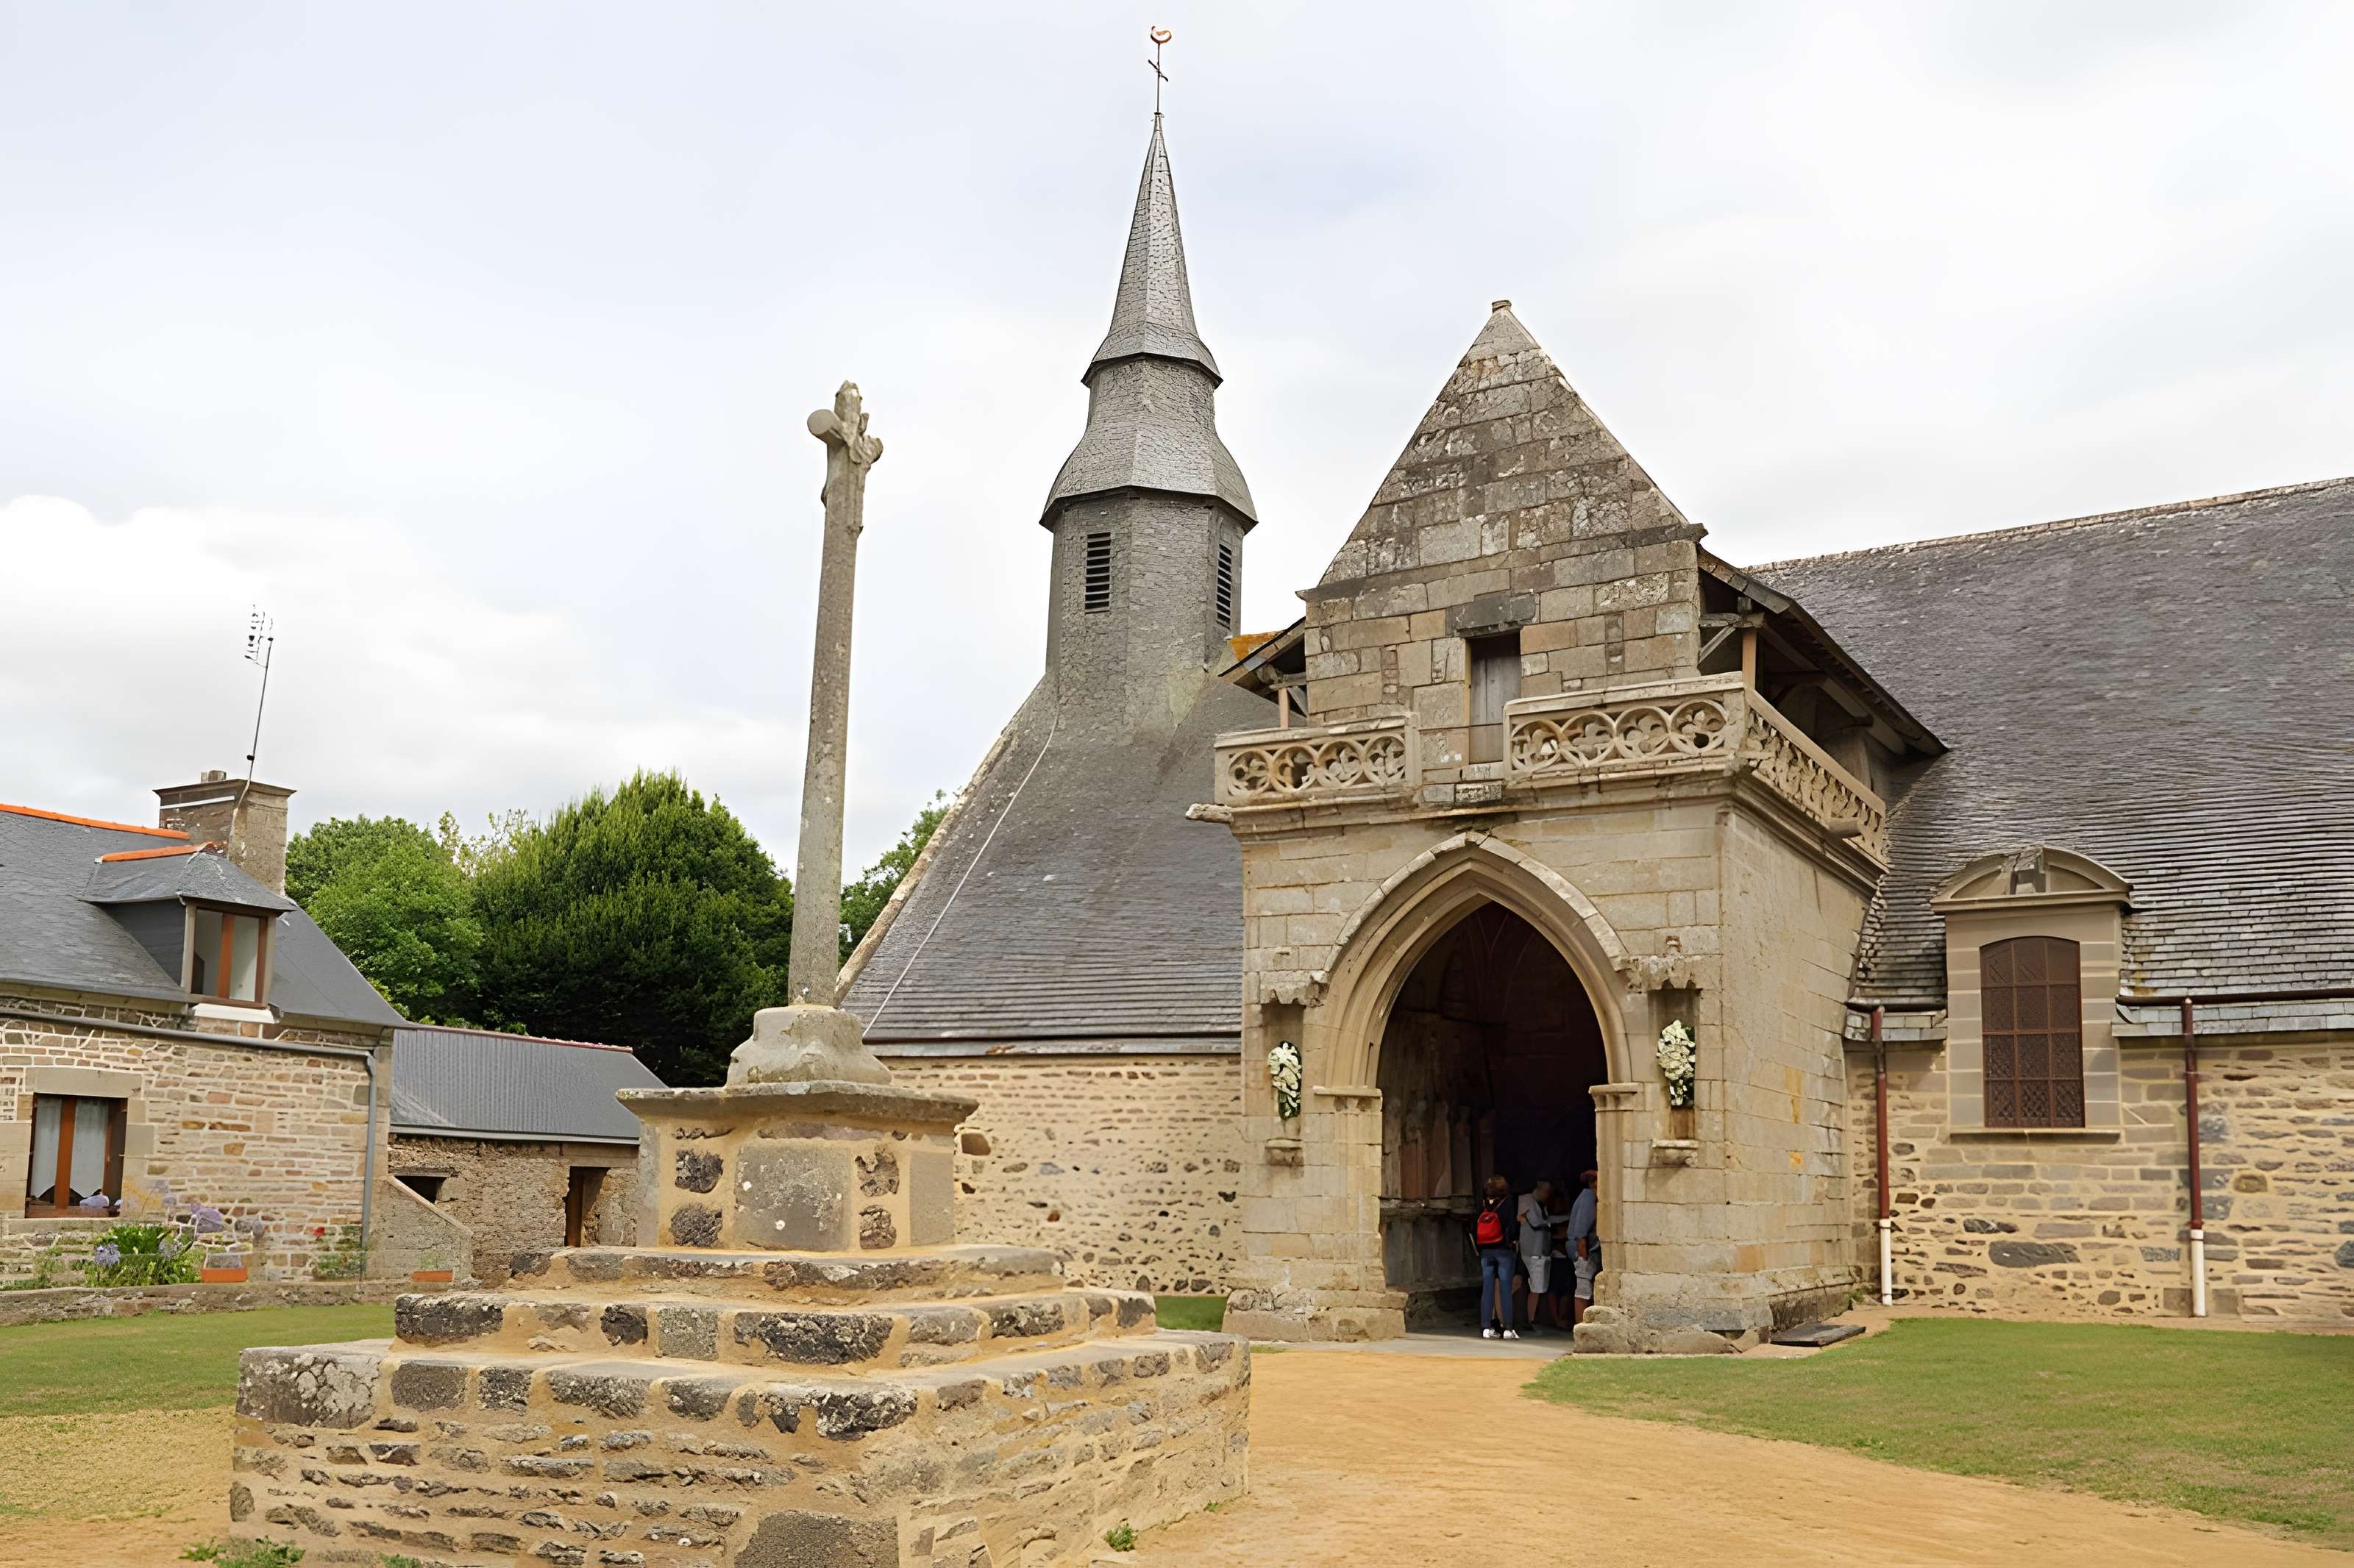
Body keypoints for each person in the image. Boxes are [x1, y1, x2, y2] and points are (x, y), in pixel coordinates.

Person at [1471, 1174, 1518, 1339]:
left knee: (1487, 1289)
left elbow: (1474, 1225)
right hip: (1503, 1250)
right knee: (1505, 1289)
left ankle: (1485, 1328)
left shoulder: (1483, 1204)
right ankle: (1508, 1328)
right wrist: (1513, 1241)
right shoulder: (1508, 1202)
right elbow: (1511, 1226)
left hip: (1486, 1250)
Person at [1514, 1179, 1556, 1334]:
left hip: (1538, 1251)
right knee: (1521, 1283)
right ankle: (1503, 1316)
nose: (1547, 1195)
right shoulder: (1525, 1200)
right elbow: (1533, 1222)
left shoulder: (1542, 1205)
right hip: (1527, 1250)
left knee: (1535, 1287)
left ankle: (1529, 1320)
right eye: (1546, 1192)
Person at [1565, 1168, 1600, 1325]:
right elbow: (1581, 1229)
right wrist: (1582, 1254)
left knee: (1586, 1288)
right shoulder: (1588, 1196)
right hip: (1584, 1251)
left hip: (1589, 1250)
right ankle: (1580, 1326)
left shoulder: (1590, 1196)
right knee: (1583, 1289)